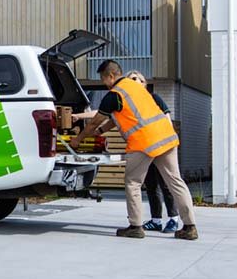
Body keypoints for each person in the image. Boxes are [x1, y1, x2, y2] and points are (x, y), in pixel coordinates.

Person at [71, 59, 198, 240]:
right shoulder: (138, 88)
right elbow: (115, 120)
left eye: (103, 79)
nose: (104, 84)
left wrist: (78, 140)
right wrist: (98, 132)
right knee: (175, 182)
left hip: (143, 142)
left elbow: (94, 122)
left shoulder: (115, 94)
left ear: (111, 76)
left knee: (133, 183)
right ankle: (190, 227)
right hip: (166, 137)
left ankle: (135, 227)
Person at [125, 71, 181, 234]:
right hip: (143, 149)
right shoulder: (129, 105)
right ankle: (156, 220)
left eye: (137, 79)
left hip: (161, 146)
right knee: (151, 184)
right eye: (131, 79)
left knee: (166, 183)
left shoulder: (154, 99)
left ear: (144, 84)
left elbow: (167, 120)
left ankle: (173, 219)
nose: (134, 81)